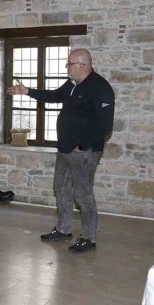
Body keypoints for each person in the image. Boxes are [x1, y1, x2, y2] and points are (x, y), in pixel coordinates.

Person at [8, 48, 115, 253]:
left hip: (84, 152)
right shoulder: (72, 84)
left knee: (83, 196)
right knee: (61, 189)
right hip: (65, 148)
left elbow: (105, 125)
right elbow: (54, 96)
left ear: (82, 65)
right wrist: (27, 91)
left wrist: (83, 145)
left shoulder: (100, 88)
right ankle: (64, 229)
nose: (67, 67)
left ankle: (88, 238)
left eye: (70, 64)